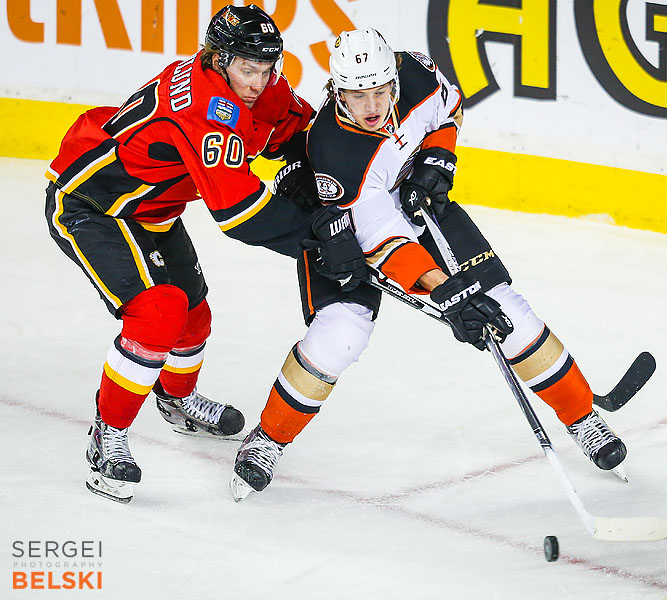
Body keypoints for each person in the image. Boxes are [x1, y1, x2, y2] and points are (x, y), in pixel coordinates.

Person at [229, 27, 629, 500]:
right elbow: (386, 242)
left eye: (380, 91)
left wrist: (438, 161)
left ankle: (583, 419)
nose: (373, 105)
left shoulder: (414, 71)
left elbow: (449, 107)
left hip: (417, 204)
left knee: (508, 311)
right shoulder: (336, 152)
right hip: (341, 230)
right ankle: (267, 440)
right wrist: (448, 293)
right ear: (338, 90)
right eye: (359, 96)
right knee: (340, 333)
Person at [45, 5, 363, 503]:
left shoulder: (261, 84)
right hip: (93, 206)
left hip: (154, 208)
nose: (257, 82)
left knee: (194, 315)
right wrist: (323, 240)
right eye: (246, 69)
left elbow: (298, 135)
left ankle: (174, 400)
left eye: (266, 69)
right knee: (158, 313)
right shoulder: (204, 105)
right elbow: (239, 212)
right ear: (217, 59)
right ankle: (106, 437)